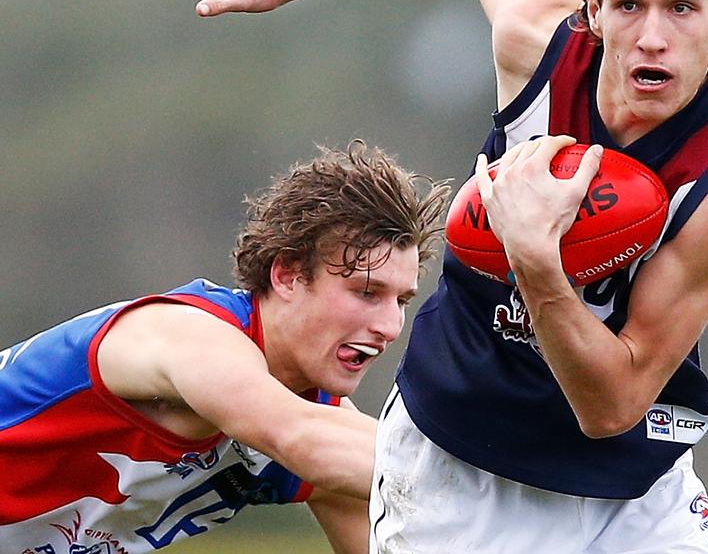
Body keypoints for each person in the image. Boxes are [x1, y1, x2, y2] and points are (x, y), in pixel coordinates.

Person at [128, 0, 708, 553]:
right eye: (628, 4)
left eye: (682, 6)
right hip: (462, 463)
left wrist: (534, 258)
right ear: (591, 5)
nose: (652, 37)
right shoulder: (540, 42)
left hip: (632, 484)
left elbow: (612, 405)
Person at [0, 141, 448, 554]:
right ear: (288, 275)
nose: (390, 326)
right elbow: (304, 438)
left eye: (402, 300)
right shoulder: (189, 337)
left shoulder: (322, 431)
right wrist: (497, 477)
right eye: (366, 292)